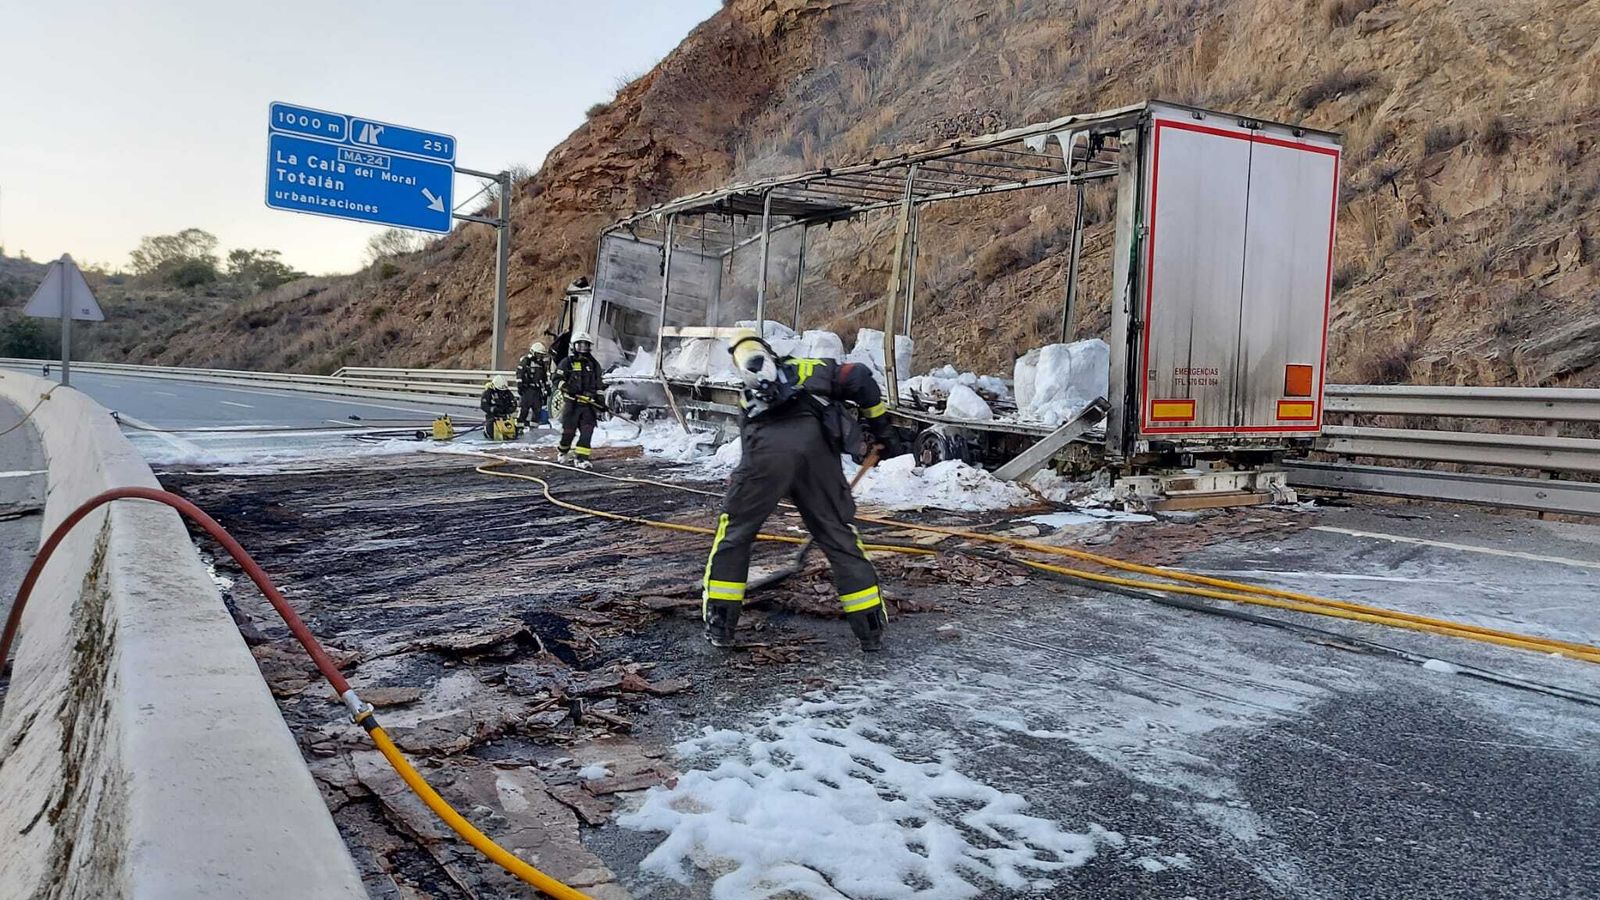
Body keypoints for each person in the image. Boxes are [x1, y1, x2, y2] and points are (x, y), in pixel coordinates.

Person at [701, 328, 903, 652]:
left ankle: (720, 626)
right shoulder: (811, 369)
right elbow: (860, 377)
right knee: (839, 536)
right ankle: (871, 631)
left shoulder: (746, 400)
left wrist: (750, 490)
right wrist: (881, 429)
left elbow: (755, 453)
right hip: (817, 458)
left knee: (735, 534)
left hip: (766, 460)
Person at [555, 332, 603, 468]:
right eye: (580, 344)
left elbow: (599, 384)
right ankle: (563, 451)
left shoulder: (594, 365)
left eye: (585, 344)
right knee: (568, 433)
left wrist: (600, 400)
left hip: (588, 406)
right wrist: (567, 387)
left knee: (587, 432)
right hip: (572, 405)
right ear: (574, 346)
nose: (583, 347)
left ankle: (581, 459)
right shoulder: (567, 363)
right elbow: (556, 379)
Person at [516, 341, 550, 428]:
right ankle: (519, 427)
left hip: (537, 391)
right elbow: (520, 373)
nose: (540, 357)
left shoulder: (541, 364)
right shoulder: (526, 361)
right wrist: (520, 385)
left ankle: (534, 428)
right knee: (524, 410)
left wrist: (547, 387)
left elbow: (544, 377)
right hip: (527, 390)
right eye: (538, 354)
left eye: (541, 355)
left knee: (537, 410)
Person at [480, 374, 518, 439]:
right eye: (500, 390)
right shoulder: (489, 392)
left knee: (514, 431)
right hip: (492, 417)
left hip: (505, 416)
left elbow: (513, 403)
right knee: (491, 430)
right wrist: (493, 409)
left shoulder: (507, 392)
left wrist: (509, 410)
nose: (502, 392)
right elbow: (484, 405)